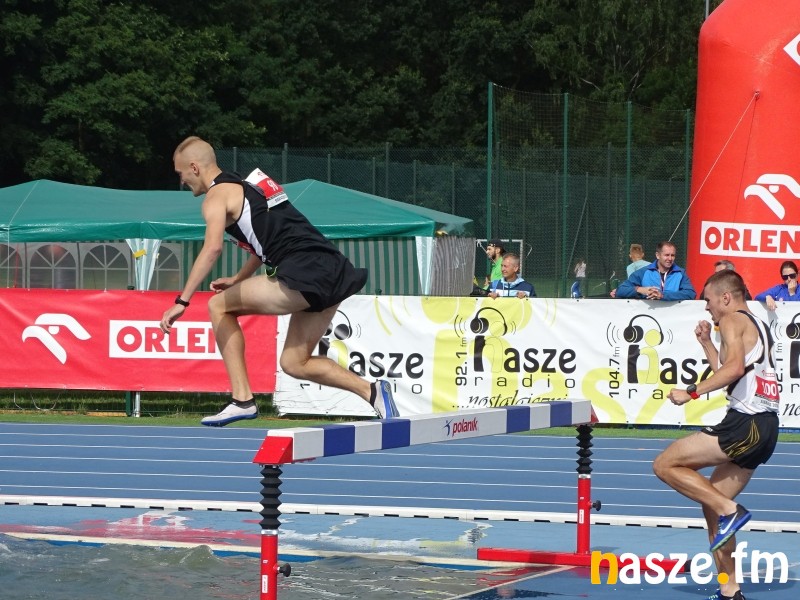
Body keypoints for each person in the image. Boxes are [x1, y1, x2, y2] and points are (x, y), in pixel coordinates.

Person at [159, 136, 398, 426]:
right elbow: (266, 243)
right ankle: (373, 392)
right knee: (294, 363)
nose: (182, 181)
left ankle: (242, 400)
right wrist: (238, 278)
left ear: (194, 168)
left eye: (181, 173)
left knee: (218, 306)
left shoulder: (216, 196)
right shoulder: (249, 187)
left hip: (304, 270)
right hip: (332, 267)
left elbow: (212, 248)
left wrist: (182, 301)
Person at [653, 270, 779, 600]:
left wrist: (691, 392)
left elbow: (733, 369)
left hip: (746, 424)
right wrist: (707, 343)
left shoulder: (734, 320)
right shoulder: (757, 323)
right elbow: (730, 370)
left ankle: (730, 510)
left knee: (665, 464)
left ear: (726, 297)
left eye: (708, 300)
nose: (706, 307)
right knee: (713, 507)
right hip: (766, 428)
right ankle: (730, 590)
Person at [614, 240, 696, 300]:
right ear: (657, 255)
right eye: (666, 255)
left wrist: (663, 295)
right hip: (648, 316)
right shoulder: (643, 272)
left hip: (672, 316)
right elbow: (620, 290)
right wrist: (640, 290)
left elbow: (690, 293)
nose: (670, 258)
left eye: (673, 255)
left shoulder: (681, 273)